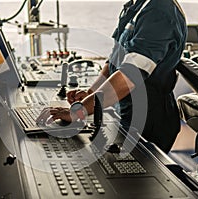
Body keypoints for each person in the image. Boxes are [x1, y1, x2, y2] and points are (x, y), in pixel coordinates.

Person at [36, 0, 187, 153]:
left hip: (148, 120)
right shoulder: (137, 6)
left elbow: (130, 75)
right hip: (122, 110)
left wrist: (78, 112)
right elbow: (115, 59)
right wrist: (90, 93)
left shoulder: (159, 12)